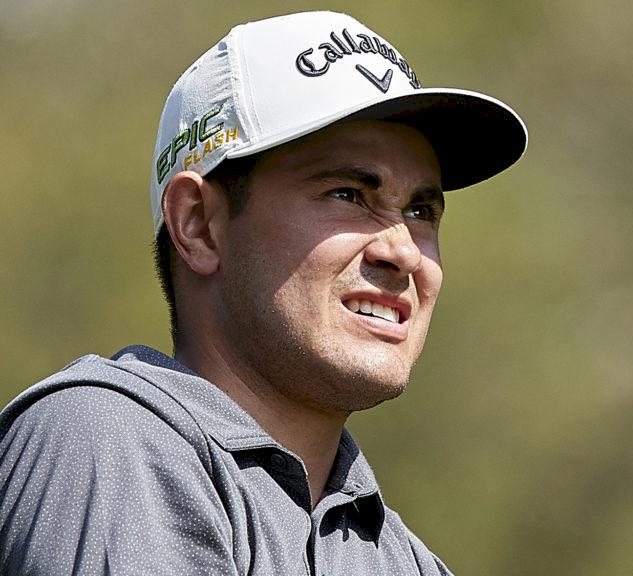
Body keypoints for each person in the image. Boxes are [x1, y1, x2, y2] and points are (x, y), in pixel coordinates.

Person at [0, 11, 526, 575]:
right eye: (347, 194)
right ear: (199, 225)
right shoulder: (109, 438)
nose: (403, 252)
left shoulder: (408, 563)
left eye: (420, 211)